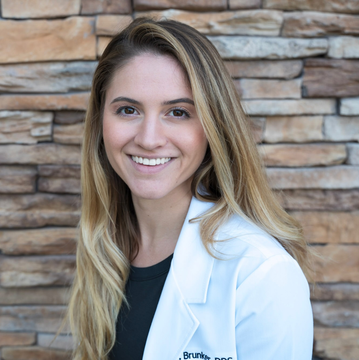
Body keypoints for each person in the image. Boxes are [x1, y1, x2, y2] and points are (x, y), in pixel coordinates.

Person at [67, 17, 313, 360]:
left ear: (213, 126)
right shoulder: (103, 246)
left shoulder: (262, 274)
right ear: (100, 122)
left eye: (178, 112)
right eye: (128, 109)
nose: (149, 139)